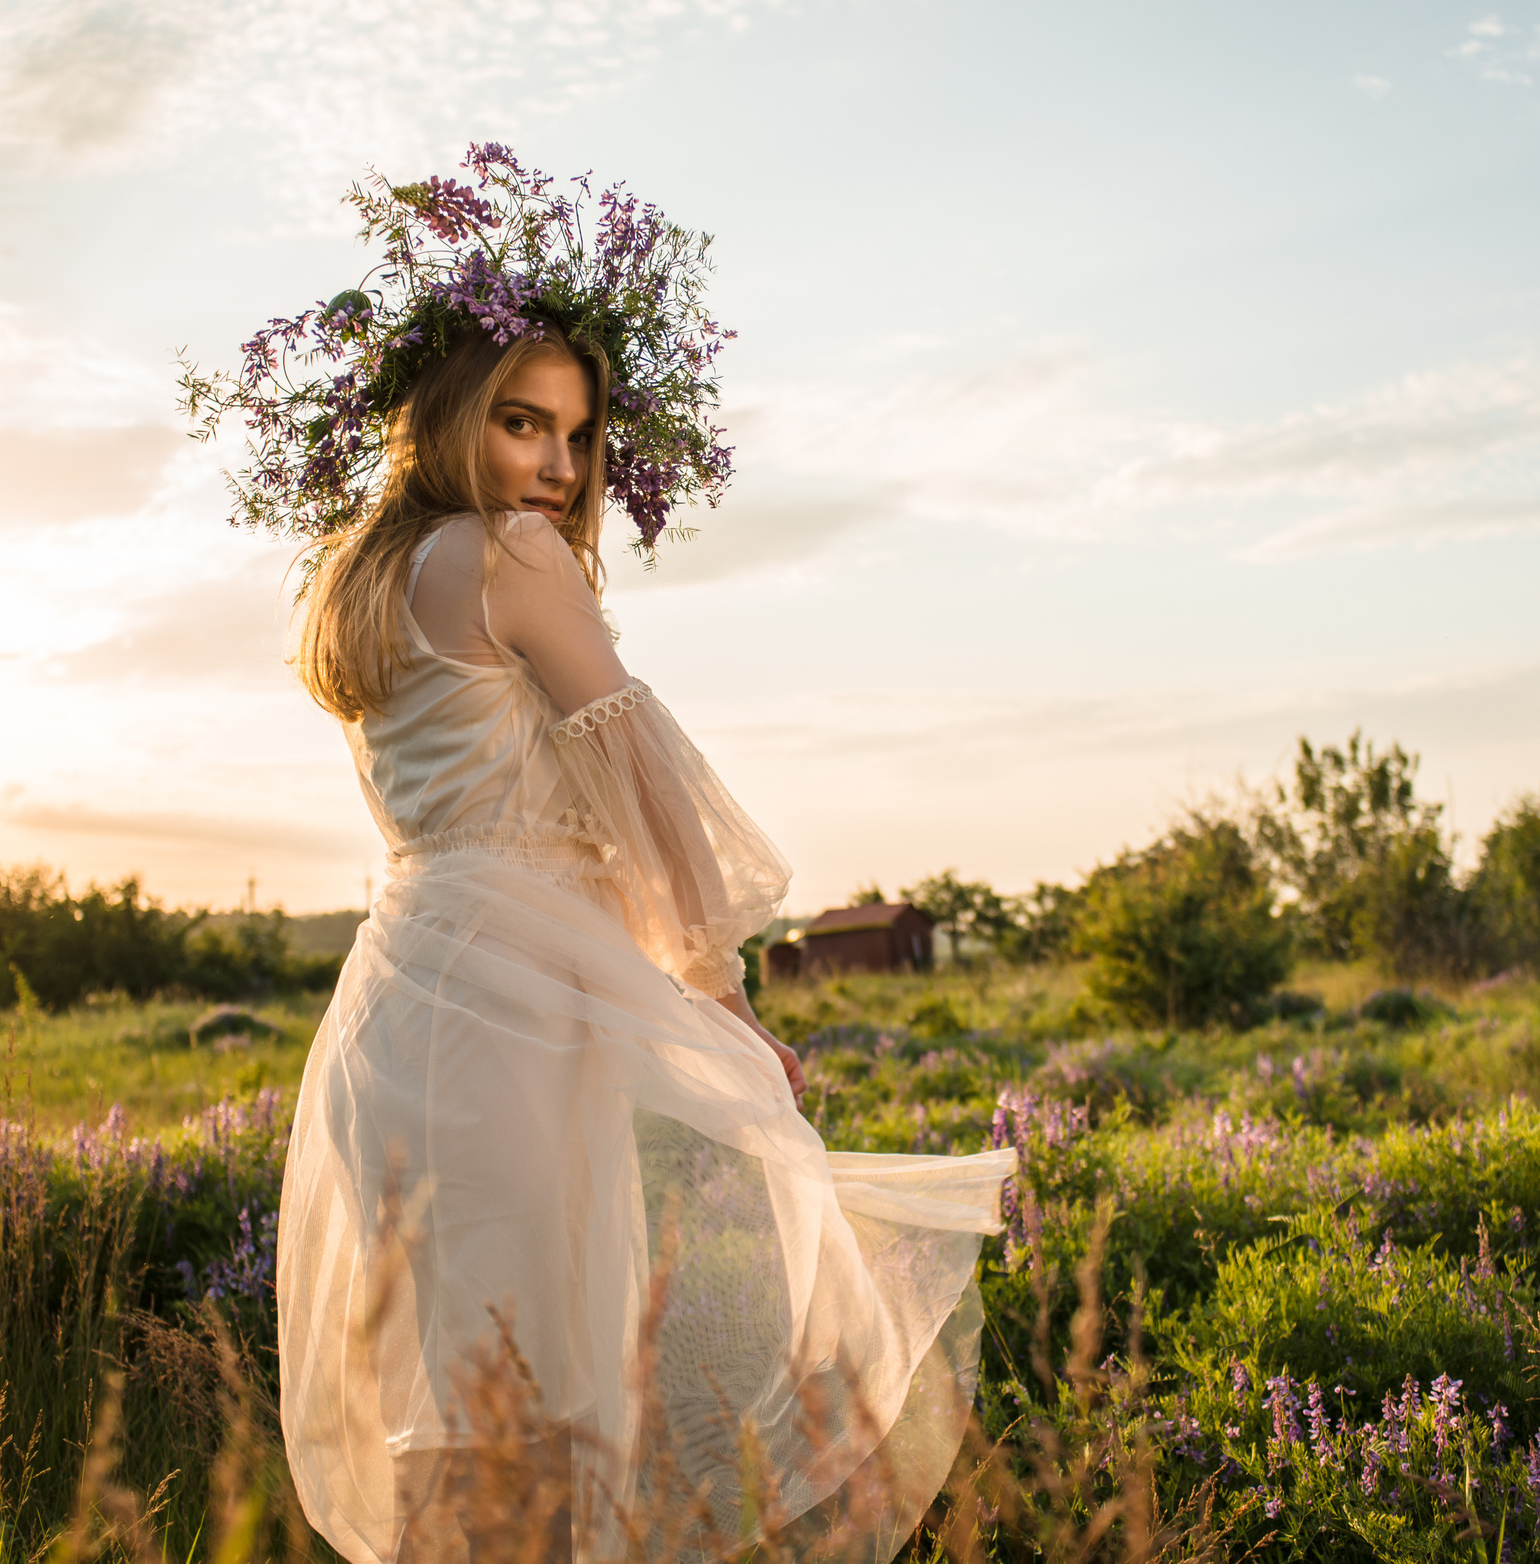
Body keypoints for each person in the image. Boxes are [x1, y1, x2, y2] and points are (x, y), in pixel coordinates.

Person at [202, 148, 1013, 1562]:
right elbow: (646, 784)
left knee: (457, 1411)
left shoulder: (366, 574)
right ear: (452, 415)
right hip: (506, 1020)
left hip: (402, 1008)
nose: (558, 468)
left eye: (578, 439)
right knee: (524, 1409)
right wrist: (718, 988)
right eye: (524, 425)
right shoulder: (516, 557)